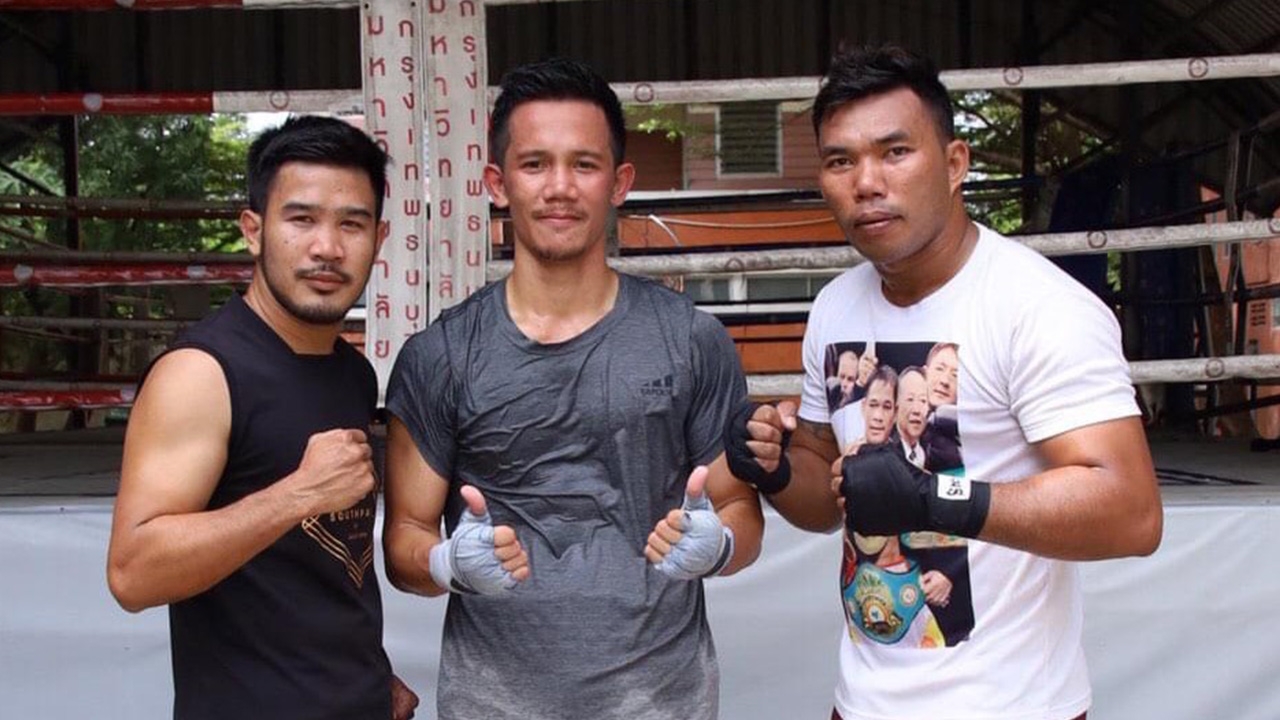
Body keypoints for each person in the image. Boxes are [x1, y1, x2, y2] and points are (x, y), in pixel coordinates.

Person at [723, 45, 1162, 720]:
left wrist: (938, 497)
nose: (867, 182)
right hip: (862, 703)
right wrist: (777, 466)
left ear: (956, 163)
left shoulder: (1038, 307)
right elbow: (827, 503)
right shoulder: (836, 306)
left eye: (895, 152)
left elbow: (1131, 513)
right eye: (841, 161)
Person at [382, 58, 763, 720]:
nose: (559, 188)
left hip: (661, 704)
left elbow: (739, 511)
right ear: (498, 183)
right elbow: (404, 540)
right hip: (492, 706)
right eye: (535, 165)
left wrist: (720, 547)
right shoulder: (439, 355)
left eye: (584, 165)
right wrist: (445, 563)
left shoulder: (692, 339)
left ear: (619, 183)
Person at [106, 116, 419, 720]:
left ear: (379, 238)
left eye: (351, 224)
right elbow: (132, 572)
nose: (327, 247)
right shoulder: (201, 373)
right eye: (301, 219)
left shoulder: (351, 373)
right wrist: (298, 494)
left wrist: (364, 673)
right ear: (253, 231)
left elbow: (320, 566)